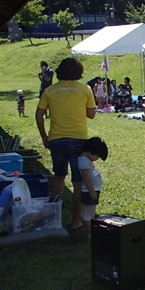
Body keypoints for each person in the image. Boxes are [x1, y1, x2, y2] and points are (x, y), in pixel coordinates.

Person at [36, 57, 97, 230]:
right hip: (79, 139)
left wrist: (44, 136)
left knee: (58, 176)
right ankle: (76, 221)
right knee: (78, 182)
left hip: (56, 139)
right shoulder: (85, 89)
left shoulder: (50, 90)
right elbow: (92, 114)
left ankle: (53, 218)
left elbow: (39, 114)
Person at [77, 137, 108, 238]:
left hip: (91, 190)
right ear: (91, 151)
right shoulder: (84, 161)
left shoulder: (85, 160)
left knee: (87, 213)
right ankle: (90, 234)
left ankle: (88, 231)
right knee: (88, 215)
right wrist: (92, 191)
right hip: (89, 191)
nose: (97, 158)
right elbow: (85, 178)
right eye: (97, 156)